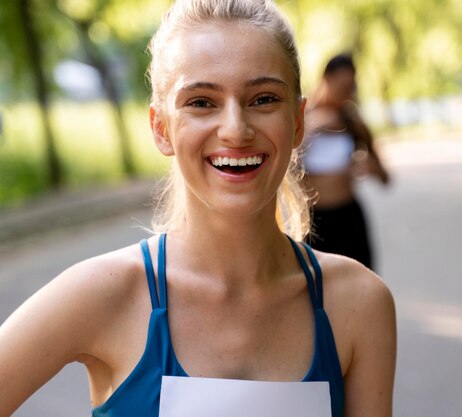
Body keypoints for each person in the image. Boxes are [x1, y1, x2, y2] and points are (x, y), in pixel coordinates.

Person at [0, 1, 397, 416]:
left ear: (298, 120)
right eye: (201, 102)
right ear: (161, 128)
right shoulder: (105, 293)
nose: (235, 130)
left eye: (263, 98)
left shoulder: (357, 304)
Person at [301, 54, 390, 270]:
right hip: (314, 222)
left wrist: (370, 166)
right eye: (341, 87)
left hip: (349, 217)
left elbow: (385, 177)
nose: (346, 94)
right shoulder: (302, 119)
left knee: (362, 286)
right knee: (316, 291)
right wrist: (309, 132)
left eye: (351, 87)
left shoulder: (353, 122)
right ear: (326, 79)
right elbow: (283, 169)